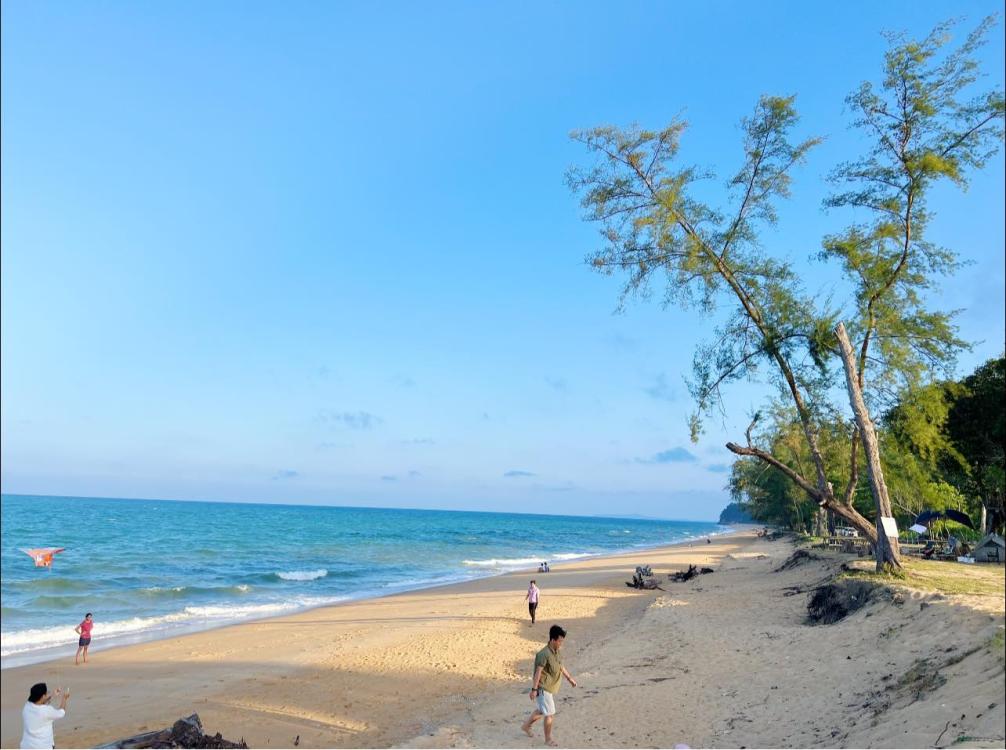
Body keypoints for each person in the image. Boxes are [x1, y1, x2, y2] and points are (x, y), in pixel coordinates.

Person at [521, 624, 577, 747]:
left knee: (542, 710)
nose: (561, 643)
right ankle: (548, 739)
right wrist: (534, 689)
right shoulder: (543, 654)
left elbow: (561, 666)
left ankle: (526, 726)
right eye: (560, 640)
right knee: (549, 713)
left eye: (562, 640)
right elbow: (538, 672)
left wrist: (570, 678)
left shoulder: (556, 651)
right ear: (552, 640)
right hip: (543, 688)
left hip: (549, 688)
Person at [21, 682, 69, 749]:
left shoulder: (26, 706)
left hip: (26, 746)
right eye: (47, 693)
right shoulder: (46, 710)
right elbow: (61, 713)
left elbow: (40, 701)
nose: (47, 694)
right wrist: (64, 698)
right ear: (43, 696)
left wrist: (52, 695)